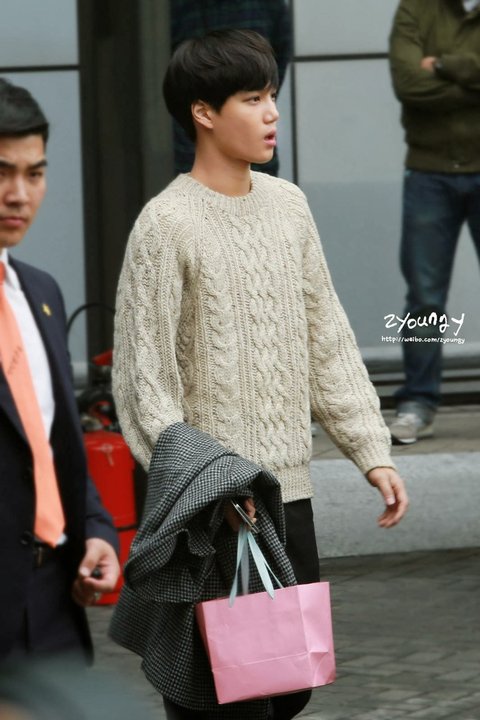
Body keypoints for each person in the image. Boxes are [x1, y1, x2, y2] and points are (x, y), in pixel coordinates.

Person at [110, 30, 409, 720]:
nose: (272, 112)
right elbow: (144, 383)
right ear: (203, 113)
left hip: (288, 497)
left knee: (288, 688)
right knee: (222, 700)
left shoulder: (289, 206)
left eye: (271, 95)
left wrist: (371, 450)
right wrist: (209, 486)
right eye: (252, 98)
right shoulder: (165, 225)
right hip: (211, 512)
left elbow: (326, 340)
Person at [0, 78, 120, 661]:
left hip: (54, 601)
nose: (18, 195)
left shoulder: (41, 293)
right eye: (2, 173)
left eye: (35, 173)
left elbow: (52, 445)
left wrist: (95, 528)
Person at [388, 0, 480, 444]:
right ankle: (417, 403)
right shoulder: (415, 8)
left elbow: (425, 78)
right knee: (424, 297)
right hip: (428, 172)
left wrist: (442, 65)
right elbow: (408, 84)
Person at [169, 0, 292, 175]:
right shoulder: (178, 7)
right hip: (196, 127)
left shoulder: (268, 5)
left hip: (243, 124)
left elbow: (280, 53)